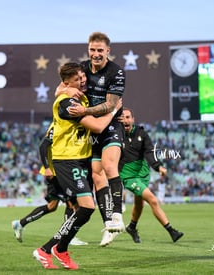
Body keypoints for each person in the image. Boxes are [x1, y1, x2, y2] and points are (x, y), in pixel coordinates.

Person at [33, 62, 121, 270]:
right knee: (87, 207)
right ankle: (48, 249)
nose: (83, 81)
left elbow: (63, 88)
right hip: (66, 159)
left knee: (83, 210)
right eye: (77, 80)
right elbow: (98, 127)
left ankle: (59, 249)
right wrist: (114, 108)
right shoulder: (68, 105)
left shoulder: (76, 96)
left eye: (83, 77)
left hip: (80, 159)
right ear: (67, 83)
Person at [62, 32, 126, 246]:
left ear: (108, 50)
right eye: (92, 50)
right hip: (92, 128)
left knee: (109, 166)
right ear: (88, 50)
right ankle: (109, 223)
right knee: (97, 176)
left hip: (110, 125)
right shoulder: (81, 68)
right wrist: (69, 89)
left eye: (100, 50)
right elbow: (59, 88)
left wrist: (84, 110)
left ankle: (117, 215)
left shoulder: (116, 72)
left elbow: (110, 105)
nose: (96, 54)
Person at [11, 121, 87, 246]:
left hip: (60, 172)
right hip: (55, 173)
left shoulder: (68, 125)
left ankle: (20, 223)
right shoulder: (56, 126)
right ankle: (68, 236)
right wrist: (47, 167)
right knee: (72, 204)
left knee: (52, 206)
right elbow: (43, 146)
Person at [119, 107, 184, 243]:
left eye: (128, 117)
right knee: (153, 199)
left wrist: (158, 166)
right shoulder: (116, 136)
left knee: (139, 205)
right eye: (122, 117)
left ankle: (131, 227)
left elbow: (149, 151)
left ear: (132, 119)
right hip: (128, 176)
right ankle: (171, 231)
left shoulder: (141, 133)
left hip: (143, 174)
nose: (125, 120)